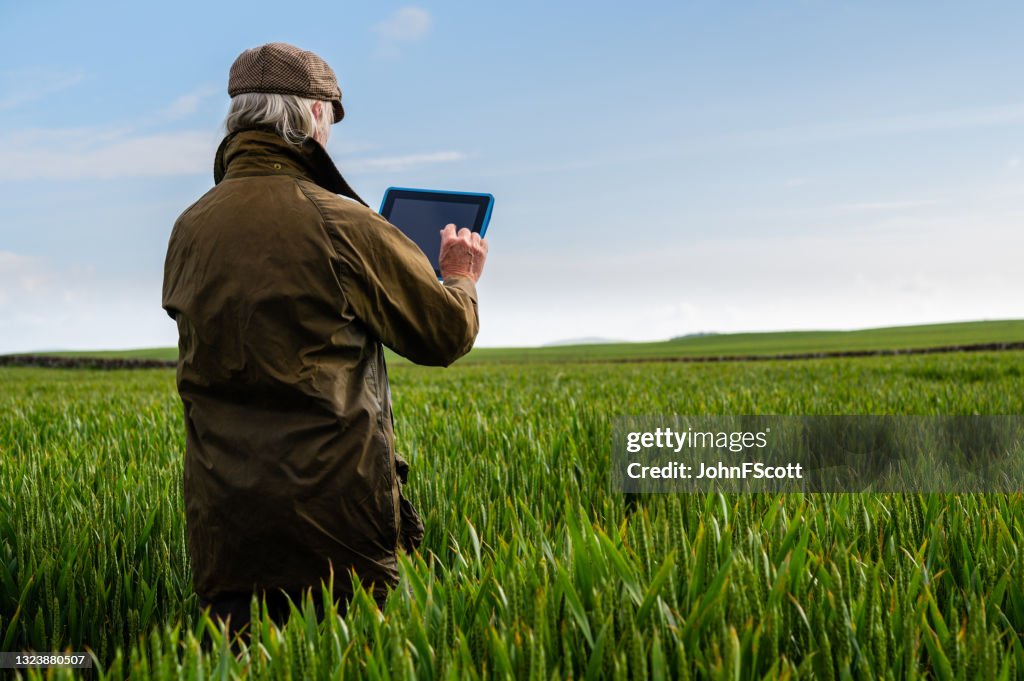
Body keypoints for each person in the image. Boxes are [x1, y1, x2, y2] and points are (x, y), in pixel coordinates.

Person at [161, 42, 488, 640]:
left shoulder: (190, 225)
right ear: (313, 116)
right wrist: (461, 275)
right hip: (335, 532)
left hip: (224, 528)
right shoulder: (343, 222)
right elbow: (443, 334)